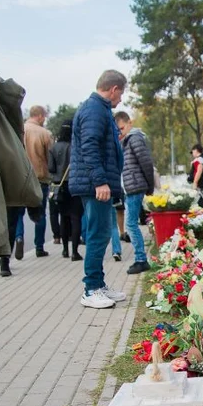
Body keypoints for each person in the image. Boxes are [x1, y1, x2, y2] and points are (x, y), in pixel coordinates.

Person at [69, 71, 128, 309]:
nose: (121, 99)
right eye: (121, 93)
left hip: (97, 183)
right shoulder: (94, 109)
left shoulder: (99, 109)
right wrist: (100, 181)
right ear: (113, 89)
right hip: (95, 185)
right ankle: (91, 289)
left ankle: (99, 285)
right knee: (97, 234)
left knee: (102, 233)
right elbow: (89, 147)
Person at [114, 110, 154, 275]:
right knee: (131, 223)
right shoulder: (128, 140)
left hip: (136, 186)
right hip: (132, 186)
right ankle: (140, 258)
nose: (120, 133)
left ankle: (140, 259)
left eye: (121, 128)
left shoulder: (134, 138)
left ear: (129, 123)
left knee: (130, 224)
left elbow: (146, 163)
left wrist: (149, 186)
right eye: (117, 130)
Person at [48, 120, 83, 259]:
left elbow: (51, 168)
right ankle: (75, 251)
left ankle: (65, 250)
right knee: (76, 218)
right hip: (74, 184)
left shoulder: (53, 148)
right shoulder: (75, 147)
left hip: (59, 185)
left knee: (64, 218)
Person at [22, 105, 53, 257]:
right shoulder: (44, 133)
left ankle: (18, 236)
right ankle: (39, 247)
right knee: (40, 214)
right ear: (40, 116)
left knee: (18, 212)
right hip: (40, 177)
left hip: (21, 178)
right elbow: (50, 157)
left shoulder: (20, 130)